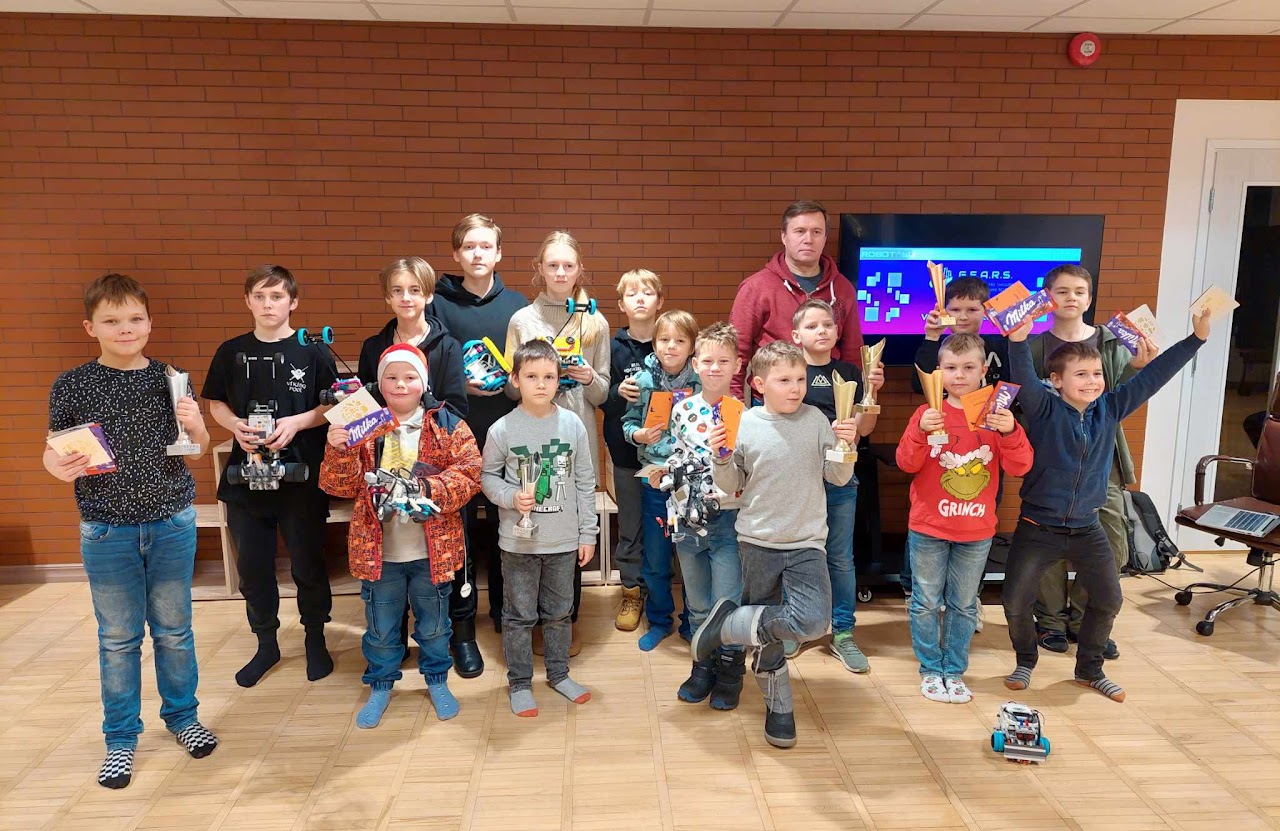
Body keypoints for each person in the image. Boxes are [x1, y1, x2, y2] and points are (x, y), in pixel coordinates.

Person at [45, 273, 217, 789]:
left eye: (135, 319)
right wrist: (59, 468)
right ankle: (120, 739)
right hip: (106, 530)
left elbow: (199, 449)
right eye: (112, 320)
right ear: (90, 327)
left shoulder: (172, 378)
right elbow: (53, 451)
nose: (125, 328)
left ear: (149, 323)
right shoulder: (72, 385)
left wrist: (196, 422)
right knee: (118, 639)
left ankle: (183, 717)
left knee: (175, 631)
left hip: (171, 522)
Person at [1001, 309, 1210, 702]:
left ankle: (1089, 670)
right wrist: (1017, 341)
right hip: (1038, 527)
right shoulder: (1043, 408)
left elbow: (1154, 376)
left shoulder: (1111, 409)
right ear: (1057, 380)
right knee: (1014, 601)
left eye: (1096, 374)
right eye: (1081, 374)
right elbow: (1024, 376)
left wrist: (1195, 339)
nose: (1092, 381)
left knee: (1110, 599)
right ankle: (1025, 660)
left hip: (1087, 527)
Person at [694, 340, 858, 748]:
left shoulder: (816, 419)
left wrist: (847, 446)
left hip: (807, 542)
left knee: (814, 622)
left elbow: (837, 478)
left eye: (800, 379)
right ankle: (778, 705)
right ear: (759, 384)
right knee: (768, 635)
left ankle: (729, 625)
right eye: (784, 380)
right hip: (758, 541)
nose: (795, 388)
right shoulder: (745, 422)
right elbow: (731, 486)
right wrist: (720, 457)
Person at [321, 344, 482, 728]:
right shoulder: (361, 422)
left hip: (432, 552)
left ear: (423, 382)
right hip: (380, 554)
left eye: (409, 377)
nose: (400, 384)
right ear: (380, 383)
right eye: (391, 377)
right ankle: (380, 684)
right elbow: (338, 486)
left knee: (435, 626)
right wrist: (338, 449)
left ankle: (437, 680)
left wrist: (426, 489)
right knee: (380, 628)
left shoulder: (445, 423)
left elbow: (470, 473)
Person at [203, 264, 336, 688]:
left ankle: (315, 638)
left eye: (276, 296)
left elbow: (334, 404)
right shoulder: (230, 351)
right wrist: (235, 426)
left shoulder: (313, 351)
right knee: (254, 568)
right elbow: (215, 402)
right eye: (259, 296)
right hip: (246, 478)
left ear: (293, 302)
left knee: (308, 562)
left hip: (301, 476)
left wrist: (296, 423)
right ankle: (266, 643)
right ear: (247, 301)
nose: (267, 304)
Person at [1025, 265, 1159, 659]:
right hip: (1052, 458)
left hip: (1103, 456)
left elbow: (1122, 396)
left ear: (1089, 297)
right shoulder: (1033, 346)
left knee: (1111, 539)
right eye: (1062, 291)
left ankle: (1088, 621)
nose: (1071, 298)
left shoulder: (1112, 340)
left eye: (1079, 291)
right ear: (1047, 297)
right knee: (1047, 541)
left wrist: (1138, 367)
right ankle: (1050, 621)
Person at [356, 256, 480, 678]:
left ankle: (460, 636)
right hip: (386, 465)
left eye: (414, 290)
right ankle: (394, 639)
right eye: (397, 290)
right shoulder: (373, 346)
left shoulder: (447, 345)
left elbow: (456, 407)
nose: (406, 298)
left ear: (427, 295)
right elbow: (364, 408)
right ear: (387, 297)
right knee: (392, 558)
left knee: (448, 553)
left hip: (435, 469)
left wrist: (418, 416)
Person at [896, 333, 1032, 703]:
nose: (960, 375)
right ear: (938, 371)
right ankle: (930, 669)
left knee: (963, 604)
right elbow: (906, 463)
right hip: (928, 527)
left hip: (976, 530)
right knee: (925, 601)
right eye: (951, 367)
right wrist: (920, 432)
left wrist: (1011, 431)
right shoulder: (927, 413)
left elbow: (1021, 466)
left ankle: (954, 670)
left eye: (969, 367)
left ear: (984, 370)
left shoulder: (997, 416)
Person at [504, 230, 611, 653]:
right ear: (540, 269)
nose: (561, 272)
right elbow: (510, 388)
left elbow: (602, 393)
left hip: (575, 433)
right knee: (532, 521)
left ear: (579, 269)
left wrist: (587, 376)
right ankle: (529, 620)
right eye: (553, 265)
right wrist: (533, 377)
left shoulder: (595, 321)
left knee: (571, 524)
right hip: (529, 436)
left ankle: (566, 621)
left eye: (568, 265)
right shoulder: (522, 321)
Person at [481, 339, 598, 717]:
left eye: (549, 376)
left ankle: (559, 675)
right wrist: (510, 497)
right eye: (531, 376)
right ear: (515, 380)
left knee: (560, 612)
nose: (541, 384)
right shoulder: (502, 429)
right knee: (518, 615)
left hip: (563, 541)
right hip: (519, 544)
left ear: (559, 380)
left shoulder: (572, 424)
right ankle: (519, 682)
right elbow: (487, 478)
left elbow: (585, 482)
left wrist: (588, 533)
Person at [430, 214, 528, 633]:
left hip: (509, 432)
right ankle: (462, 623)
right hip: (456, 436)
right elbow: (426, 366)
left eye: (485, 246)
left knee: (511, 526)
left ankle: (508, 614)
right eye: (469, 246)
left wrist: (514, 382)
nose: (477, 254)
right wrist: (458, 384)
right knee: (462, 530)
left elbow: (531, 368)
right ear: (456, 254)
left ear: (499, 253)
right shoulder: (437, 304)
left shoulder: (518, 306)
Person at [792, 299, 883, 671]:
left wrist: (871, 395)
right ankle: (797, 625)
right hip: (797, 480)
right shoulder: (789, 371)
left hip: (841, 477)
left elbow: (865, 429)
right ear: (796, 335)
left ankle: (843, 632)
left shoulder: (850, 371)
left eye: (828, 324)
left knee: (840, 558)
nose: (822, 331)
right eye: (812, 326)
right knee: (797, 554)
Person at [910, 275, 1009, 608]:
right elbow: (918, 383)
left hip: (986, 448)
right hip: (941, 446)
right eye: (955, 309)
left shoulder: (999, 347)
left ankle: (969, 597)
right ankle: (921, 594)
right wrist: (931, 337)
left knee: (979, 524)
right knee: (926, 522)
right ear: (944, 311)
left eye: (972, 309)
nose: (963, 316)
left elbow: (1015, 389)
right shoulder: (938, 347)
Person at [669, 322, 746, 710]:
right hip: (688, 519)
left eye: (724, 361)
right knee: (698, 604)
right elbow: (676, 457)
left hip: (729, 520)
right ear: (695, 364)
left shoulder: (746, 414)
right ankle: (703, 667)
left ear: (737, 365)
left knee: (726, 604)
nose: (715, 368)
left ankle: (731, 673)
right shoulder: (681, 409)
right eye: (708, 361)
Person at [621, 310, 700, 651]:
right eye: (664, 339)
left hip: (693, 481)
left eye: (680, 340)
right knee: (656, 557)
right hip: (654, 479)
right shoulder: (641, 381)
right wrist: (639, 435)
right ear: (654, 343)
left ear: (692, 346)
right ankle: (659, 620)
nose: (671, 346)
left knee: (693, 556)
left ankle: (694, 622)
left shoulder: (701, 380)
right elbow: (627, 423)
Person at [730, 200, 863, 399]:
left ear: (825, 238)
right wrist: (735, 403)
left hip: (829, 403)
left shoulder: (843, 289)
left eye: (816, 232)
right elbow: (736, 352)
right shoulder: (755, 287)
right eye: (800, 231)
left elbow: (853, 353)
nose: (808, 239)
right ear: (784, 236)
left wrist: (853, 402)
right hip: (772, 404)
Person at [603, 268, 663, 632]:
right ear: (621, 304)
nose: (640, 299)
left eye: (648, 292)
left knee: (665, 525)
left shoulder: (671, 341)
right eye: (632, 294)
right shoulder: (612, 347)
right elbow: (599, 396)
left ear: (660, 301)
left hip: (667, 455)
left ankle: (660, 592)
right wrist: (616, 393)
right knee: (630, 525)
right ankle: (631, 591)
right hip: (626, 453)